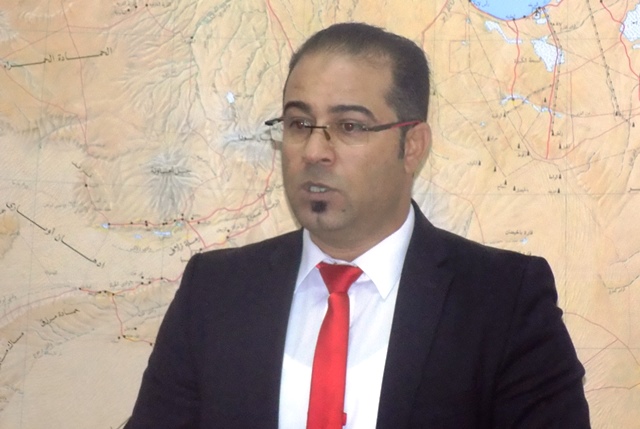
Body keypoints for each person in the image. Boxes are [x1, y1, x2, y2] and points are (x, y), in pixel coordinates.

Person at [125, 22, 590, 428]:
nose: (314, 151)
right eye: (299, 123)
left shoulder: (502, 301)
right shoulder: (216, 293)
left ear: (412, 146)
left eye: (348, 126)